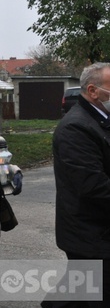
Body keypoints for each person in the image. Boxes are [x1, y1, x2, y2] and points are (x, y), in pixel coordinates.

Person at [45, 62, 110, 307]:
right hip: (91, 236)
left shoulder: (101, 119)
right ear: (93, 91)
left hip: (98, 233)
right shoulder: (76, 128)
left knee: (81, 293)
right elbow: (93, 186)